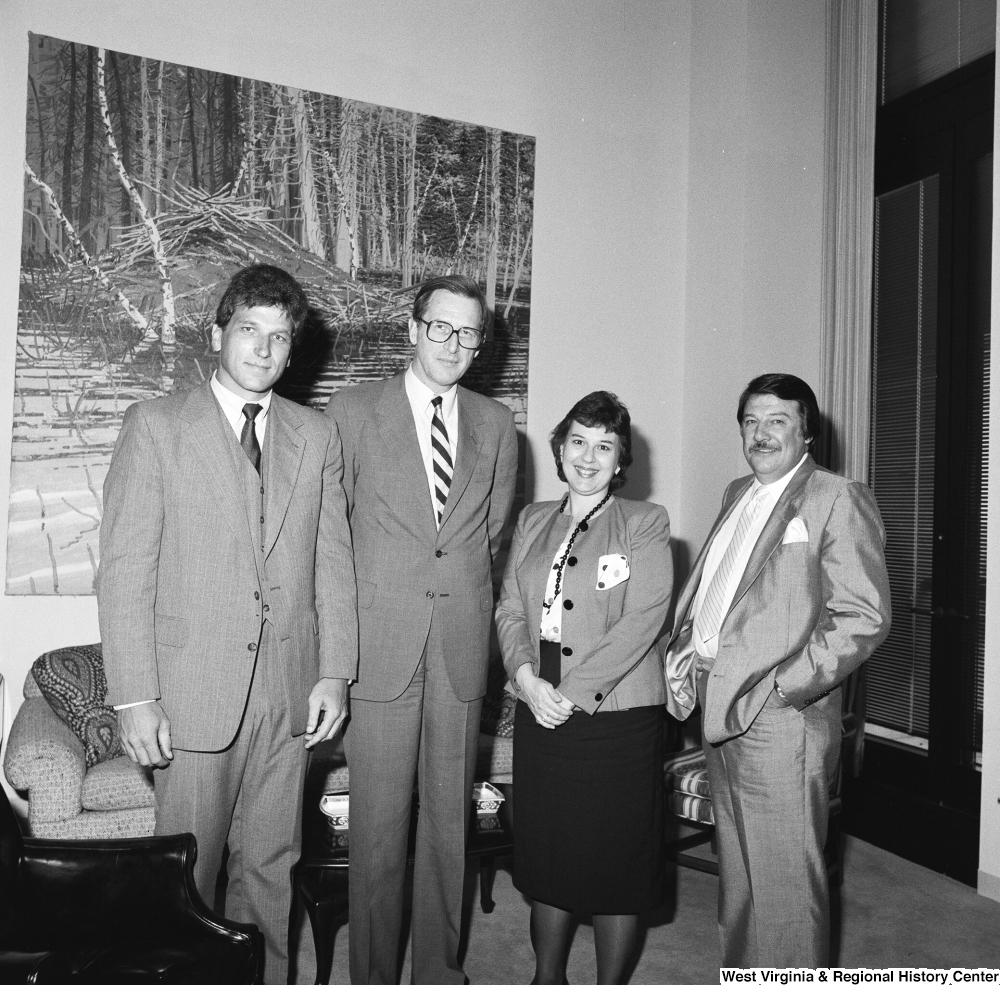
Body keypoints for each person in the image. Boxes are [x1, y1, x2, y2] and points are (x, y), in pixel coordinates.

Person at [97, 264, 358, 985]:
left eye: (280, 337)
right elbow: (124, 570)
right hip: (191, 696)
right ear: (217, 333)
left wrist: (334, 669)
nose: (264, 349)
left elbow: (333, 562)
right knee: (187, 875)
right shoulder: (156, 427)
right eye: (250, 329)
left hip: (289, 694)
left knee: (272, 870)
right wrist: (134, 695)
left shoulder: (317, 435)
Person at [325, 274, 518, 985]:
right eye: (442, 327)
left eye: (470, 333)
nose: (455, 344)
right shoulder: (351, 410)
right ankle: (374, 975)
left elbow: (489, 538)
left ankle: (441, 971)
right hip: (379, 646)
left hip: (459, 648)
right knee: (376, 830)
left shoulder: (498, 426)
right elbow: (331, 535)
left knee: (448, 826)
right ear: (412, 329)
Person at [663, 373, 891, 968]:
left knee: (787, 885)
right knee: (738, 875)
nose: (761, 434)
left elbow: (861, 618)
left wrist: (781, 690)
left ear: (806, 432)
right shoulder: (738, 490)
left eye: (777, 421)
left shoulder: (837, 497)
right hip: (718, 706)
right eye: (750, 422)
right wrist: (688, 643)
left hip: (779, 721)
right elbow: (722, 589)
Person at [495, 391, 673, 985]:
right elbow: (510, 609)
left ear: (621, 459)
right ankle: (548, 977)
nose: (588, 457)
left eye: (604, 446)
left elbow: (643, 618)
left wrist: (567, 693)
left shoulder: (645, 523)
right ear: (560, 447)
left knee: (614, 863)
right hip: (539, 707)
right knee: (549, 853)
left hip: (614, 717)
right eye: (578, 442)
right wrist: (524, 677)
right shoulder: (533, 518)